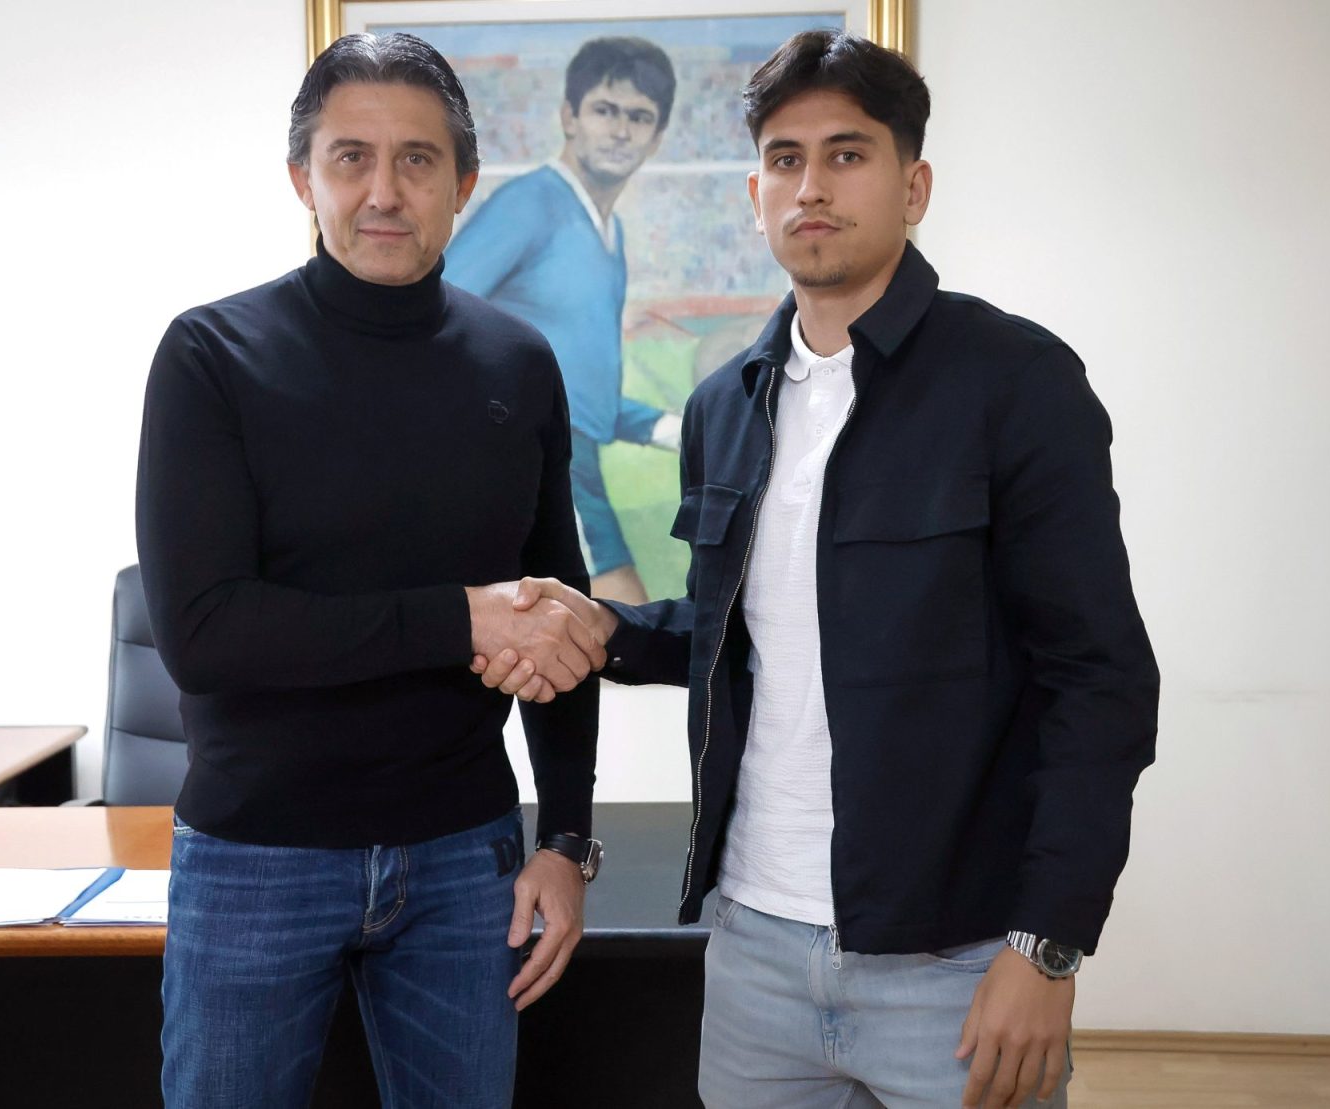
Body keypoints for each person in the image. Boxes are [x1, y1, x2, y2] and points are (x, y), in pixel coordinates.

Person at [475, 29, 1159, 1109]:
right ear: (756, 196)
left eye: (847, 154)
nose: (812, 186)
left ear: (913, 185)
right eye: (785, 160)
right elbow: (741, 629)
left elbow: (1103, 679)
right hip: (755, 949)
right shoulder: (725, 406)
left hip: (958, 960)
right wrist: (601, 627)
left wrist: (1047, 944)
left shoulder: (1015, 382)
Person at [136, 32, 607, 1109]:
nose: (384, 192)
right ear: (302, 177)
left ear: (465, 183)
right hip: (256, 859)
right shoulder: (211, 357)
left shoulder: (518, 362)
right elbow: (204, 634)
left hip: (464, 860)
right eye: (351, 158)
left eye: (417, 160)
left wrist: (567, 840)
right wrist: (462, 618)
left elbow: (558, 616)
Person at [445, 37, 681, 605]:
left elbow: (583, 390)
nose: (620, 130)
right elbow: (435, 313)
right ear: (569, 117)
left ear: (656, 137)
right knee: (618, 624)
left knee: (609, 635)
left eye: (639, 117)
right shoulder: (530, 204)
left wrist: (669, 426)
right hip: (539, 461)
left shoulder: (610, 232)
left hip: (578, 462)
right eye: (605, 110)